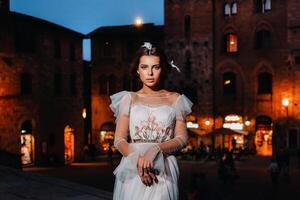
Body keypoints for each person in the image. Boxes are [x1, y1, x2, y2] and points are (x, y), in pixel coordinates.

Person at [109, 42, 193, 200]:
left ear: (163, 69)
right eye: (144, 67)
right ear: (137, 70)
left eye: (155, 67)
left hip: (164, 168)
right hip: (133, 168)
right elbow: (119, 140)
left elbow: (182, 138)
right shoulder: (128, 98)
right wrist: (138, 163)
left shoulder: (175, 99)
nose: (150, 73)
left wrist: (156, 149)